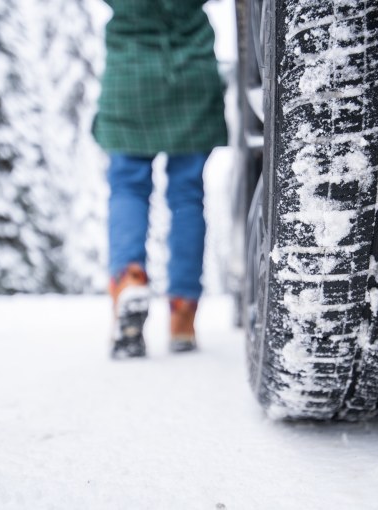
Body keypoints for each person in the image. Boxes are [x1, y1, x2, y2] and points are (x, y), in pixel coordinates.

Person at [93, 0, 227, 358]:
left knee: (128, 186)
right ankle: (183, 313)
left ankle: (129, 280)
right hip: (192, 73)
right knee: (187, 195)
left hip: (130, 74)